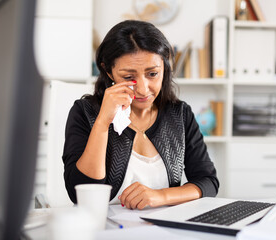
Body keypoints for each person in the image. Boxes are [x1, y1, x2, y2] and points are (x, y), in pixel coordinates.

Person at [63, 20, 219, 210]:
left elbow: (208, 182)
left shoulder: (180, 114)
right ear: (108, 71)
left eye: (152, 74)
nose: (143, 90)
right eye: (129, 77)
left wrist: (160, 196)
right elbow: (80, 194)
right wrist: (103, 122)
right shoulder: (84, 112)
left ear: (164, 68)